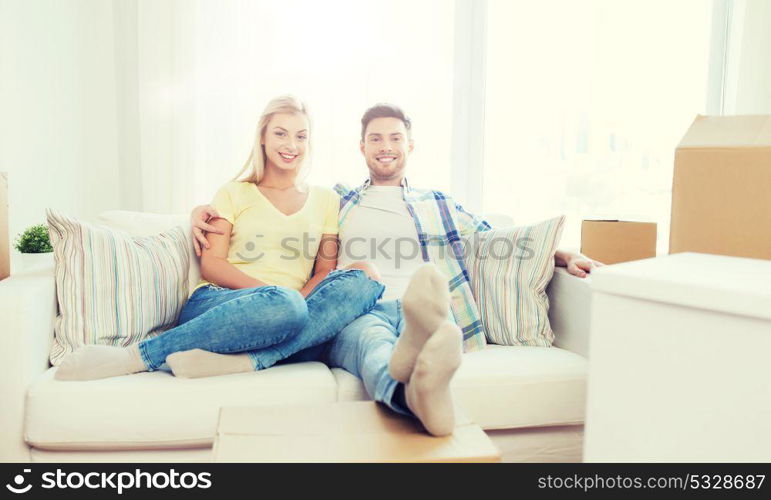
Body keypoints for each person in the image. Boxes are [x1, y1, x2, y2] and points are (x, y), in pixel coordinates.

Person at [182, 103, 603, 436]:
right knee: (371, 345)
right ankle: (410, 394)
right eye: (375, 138)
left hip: (423, 307)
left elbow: (497, 238)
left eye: (395, 138)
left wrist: (562, 254)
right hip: (359, 310)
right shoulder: (338, 200)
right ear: (361, 148)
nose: (386, 146)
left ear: (410, 146)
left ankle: (419, 362)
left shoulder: (437, 203)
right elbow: (280, 220)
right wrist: (200, 212)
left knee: (427, 327)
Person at [54, 95, 386, 382]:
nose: (291, 145)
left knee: (366, 274)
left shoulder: (327, 199)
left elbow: (324, 272)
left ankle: (248, 360)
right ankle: (137, 357)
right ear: (263, 139)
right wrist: (275, 295)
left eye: (301, 136)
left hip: (291, 310)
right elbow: (212, 264)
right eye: (281, 134)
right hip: (222, 303)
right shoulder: (233, 193)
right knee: (287, 308)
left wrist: (295, 301)